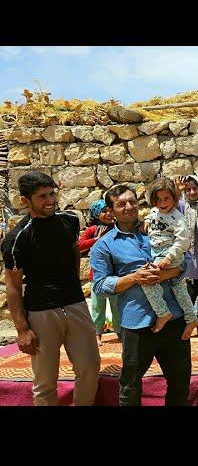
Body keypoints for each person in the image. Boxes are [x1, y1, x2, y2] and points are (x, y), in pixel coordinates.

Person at [1, 171, 100, 405]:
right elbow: (13, 285)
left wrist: (71, 286)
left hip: (75, 304)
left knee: (90, 368)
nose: (50, 201)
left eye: (52, 194)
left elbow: (74, 251)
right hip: (41, 312)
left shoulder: (70, 220)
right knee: (45, 382)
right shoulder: (17, 238)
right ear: (25, 201)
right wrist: (22, 329)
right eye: (42, 196)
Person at [92, 185, 192, 406]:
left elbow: (188, 261)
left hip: (173, 320)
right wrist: (135, 278)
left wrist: (168, 273)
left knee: (180, 381)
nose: (129, 207)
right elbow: (99, 285)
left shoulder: (158, 227)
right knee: (131, 384)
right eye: (121, 204)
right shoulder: (104, 246)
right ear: (110, 211)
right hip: (136, 324)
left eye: (132, 202)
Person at [141, 178, 198, 340]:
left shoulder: (177, 217)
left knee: (148, 281)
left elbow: (183, 241)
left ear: (174, 198)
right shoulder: (154, 211)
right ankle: (191, 318)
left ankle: (162, 312)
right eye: (158, 199)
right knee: (179, 289)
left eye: (166, 198)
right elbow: (151, 215)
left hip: (168, 254)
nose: (162, 202)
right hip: (159, 254)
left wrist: (169, 257)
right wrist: (146, 221)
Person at [174, 174, 198, 337]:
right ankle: (186, 324)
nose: (191, 192)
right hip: (188, 257)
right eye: (188, 189)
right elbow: (172, 208)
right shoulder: (182, 205)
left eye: (195, 188)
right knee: (188, 295)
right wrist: (178, 191)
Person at [78, 198, 120, 346]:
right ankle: (97, 335)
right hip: (97, 275)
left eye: (110, 210)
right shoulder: (92, 230)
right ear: (96, 214)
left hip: (116, 275)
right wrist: (96, 239)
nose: (108, 214)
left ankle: (120, 333)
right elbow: (79, 245)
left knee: (117, 306)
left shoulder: (118, 228)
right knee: (98, 307)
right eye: (104, 211)